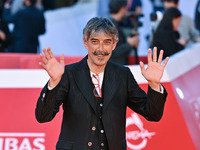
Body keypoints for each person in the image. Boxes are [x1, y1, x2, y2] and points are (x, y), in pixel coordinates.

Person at [35, 17, 169, 150]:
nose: (101, 49)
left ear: (114, 45)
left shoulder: (123, 75)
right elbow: (43, 116)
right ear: (85, 42)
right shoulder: (68, 74)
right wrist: (53, 82)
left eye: (106, 42)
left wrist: (154, 84)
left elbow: (153, 114)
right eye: (95, 41)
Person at [108, 0, 139, 65]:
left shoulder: (110, 24)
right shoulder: (109, 27)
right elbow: (109, 51)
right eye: (126, 8)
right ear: (122, 9)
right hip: (114, 68)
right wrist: (129, 44)